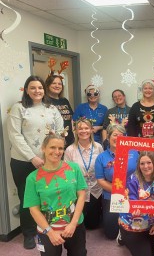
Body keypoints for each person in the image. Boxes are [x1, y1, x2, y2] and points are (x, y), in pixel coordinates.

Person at [7, 75, 64, 249]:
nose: (37, 91)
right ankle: (29, 233)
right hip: (24, 161)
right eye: (33, 88)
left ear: (44, 90)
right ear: (26, 90)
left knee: (48, 195)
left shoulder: (52, 108)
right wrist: (33, 157)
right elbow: (15, 135)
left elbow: (60, 131)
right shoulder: (18, 108)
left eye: (39, 88)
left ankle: (49, 227)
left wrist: (53, 153)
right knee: (28, 198)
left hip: (49, 160)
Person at [23, 133, 87, 256]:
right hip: (47, 227)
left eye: (61, 148)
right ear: (43, 148)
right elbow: (34, 209)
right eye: (52, 147)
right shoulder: (32, 178)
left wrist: (73, 224)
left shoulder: (74, 168)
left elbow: (82, 195)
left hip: (74, 223)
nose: (57, 152)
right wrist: (50, 232)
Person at [64, 117, 104, 229]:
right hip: (79, 192)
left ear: (91, 130)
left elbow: (103, 166)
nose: (83, 131)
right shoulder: (70, 150)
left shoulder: (98, 147)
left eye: (86, 128)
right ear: (75, 131)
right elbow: (66, 172)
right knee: (79, 223)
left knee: (93, 225)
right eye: (80, 129)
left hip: (96, 189)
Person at [119, 151, 154, 256]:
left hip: (150, 225)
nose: (146, 166)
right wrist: (134, 210)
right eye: (142, 163)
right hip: (132, 225)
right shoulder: (133, 180)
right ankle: (122, 235)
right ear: (138, 165)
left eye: (149, 162)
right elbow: (129, 204)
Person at [95, 124, 125, 239]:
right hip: (111, 196)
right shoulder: (101, 157)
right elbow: (100, 180)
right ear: (108, 137)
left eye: (121, 135)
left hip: (131, 195)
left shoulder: (133, 153)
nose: (117, 138)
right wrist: (120, 191)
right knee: (111, 234)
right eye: (115, 135)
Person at [45, 74, 74, 147]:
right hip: (53, 140)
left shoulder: (64, 101)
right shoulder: (44, 102)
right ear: (48, 85)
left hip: (69, 139)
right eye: (54, 83)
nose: (57, 86)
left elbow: (71, 118)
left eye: (59, 84)